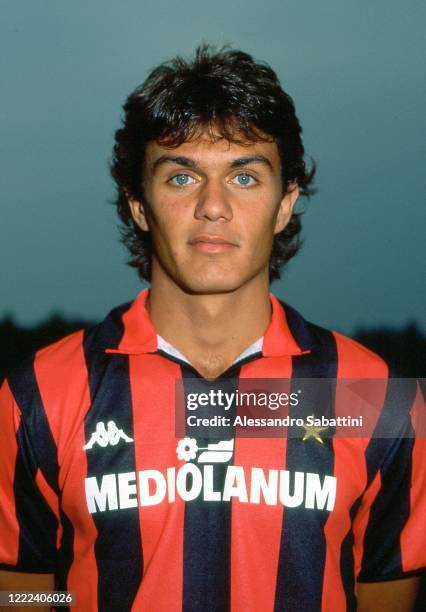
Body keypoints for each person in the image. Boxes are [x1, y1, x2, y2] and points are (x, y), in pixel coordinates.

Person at [0, 45, 424, 612]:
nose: (213, 206)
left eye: (245, 176)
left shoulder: (377, 397)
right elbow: (21, 591)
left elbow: (380, 596)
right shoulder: (41, 395)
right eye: (181, 176)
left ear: (284, 202)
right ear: (139, 204)